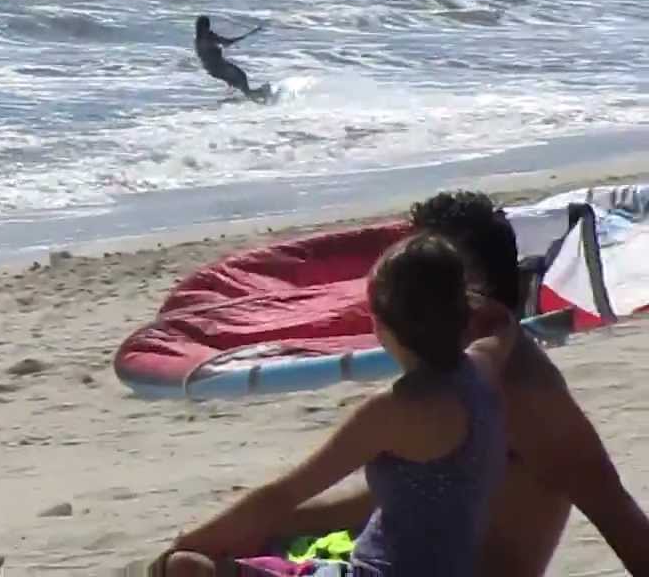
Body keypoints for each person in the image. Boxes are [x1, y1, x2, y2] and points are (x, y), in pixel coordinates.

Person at [160, 191, 649, 575]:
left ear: (474, 300)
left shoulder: (528, 396)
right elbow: (409, 495)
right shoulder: (467, 372)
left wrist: (249, 522)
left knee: (188, 567)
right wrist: (270, 521)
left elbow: (617, 515)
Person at [156, 232, 518, 576]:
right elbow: (504, 325)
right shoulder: (482, 367)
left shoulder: (393, 410)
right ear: (461, 311)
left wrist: (189, 542)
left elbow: (283, 494)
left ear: (379, 326)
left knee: (184, 567)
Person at [194, 15, 264, 98]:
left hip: (216, 67)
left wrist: (245, 36)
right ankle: (257, 97)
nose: (207, 29)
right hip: (216, 68)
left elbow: (226, 42)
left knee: (241, 77)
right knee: (240, 77)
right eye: (206, 27)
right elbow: (218, 44)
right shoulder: (203, 40)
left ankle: (248, 96)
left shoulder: (206, 37)